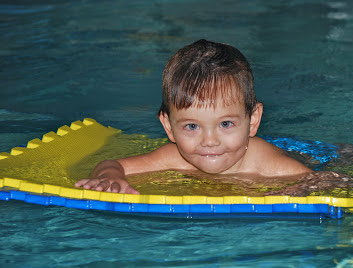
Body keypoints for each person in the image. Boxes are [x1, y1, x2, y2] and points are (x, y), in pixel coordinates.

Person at [75, 39, 312, 194]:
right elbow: (111, 164)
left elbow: (324, 184)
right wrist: (110, 178)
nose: (209, 141)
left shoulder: (271, 166)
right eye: (191, 127)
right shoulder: (174, 157)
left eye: (226, 123)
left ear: (253, 120)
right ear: (168, 126)